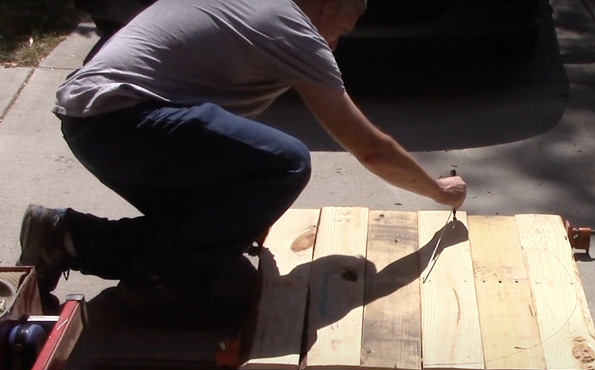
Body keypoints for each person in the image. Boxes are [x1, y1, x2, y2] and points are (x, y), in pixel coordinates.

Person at [17, 0, 467, 326]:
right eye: (341, 31)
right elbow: (370, 149)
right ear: (327, 6)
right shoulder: (290, 26)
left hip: (91, 123)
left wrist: (245, 214)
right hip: (124, 124)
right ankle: (161, 282)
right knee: (286, 162)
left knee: (217, 240)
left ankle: (70, 237)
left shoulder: (250, 7)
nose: (334, 43)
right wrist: (437, 190)